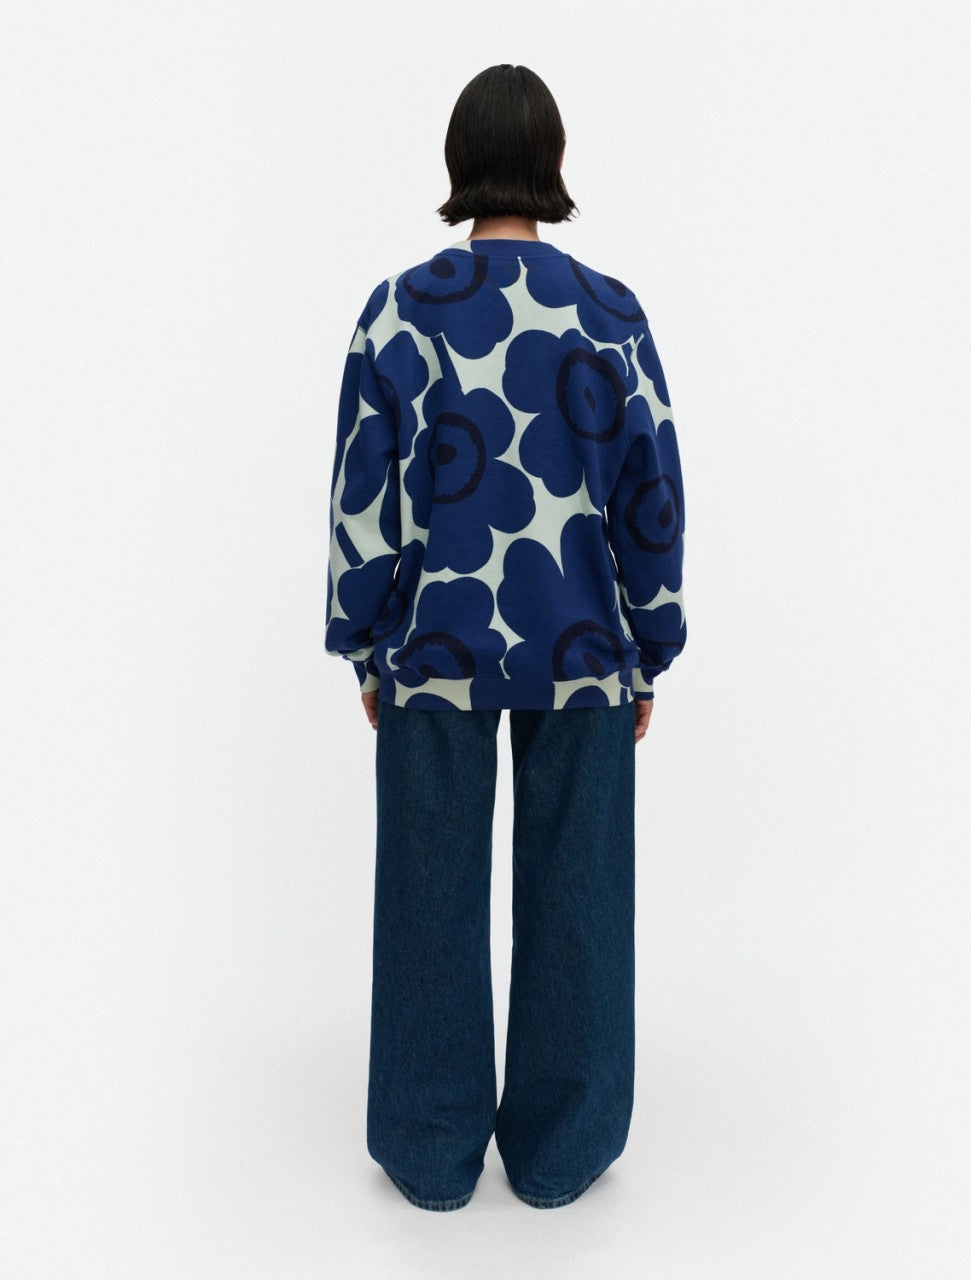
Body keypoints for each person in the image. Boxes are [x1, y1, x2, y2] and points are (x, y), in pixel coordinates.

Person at [324, 64, 687, 1211]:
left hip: (434, 645)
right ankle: (562, 1149)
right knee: (579, 899)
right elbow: (650, 493)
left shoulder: (398, 309)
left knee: (427, 894)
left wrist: (366, 638)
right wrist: (651, 639)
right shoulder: (611, 312)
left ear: (458, 161)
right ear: (554, 162)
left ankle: (429, 1150)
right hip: (582, 646)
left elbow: (362, 495)